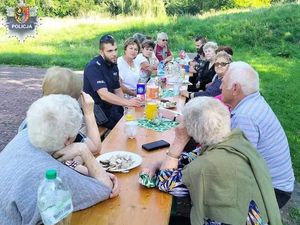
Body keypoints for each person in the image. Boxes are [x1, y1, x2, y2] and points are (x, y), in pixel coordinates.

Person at [140, 97, 282, 225]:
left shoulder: (207, 166)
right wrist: (158, 164)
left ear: (191, 129)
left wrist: (179, 141)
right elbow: (189, 157)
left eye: (183, 121)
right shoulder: (235, 140)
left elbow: (165, 183)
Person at [0, 94, 119, 225]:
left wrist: (86, 171)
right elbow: (105, 188)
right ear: (68, 139)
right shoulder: (54, 176)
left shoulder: (23, 136)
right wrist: (84, 152)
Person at [221, 61, 295, 208]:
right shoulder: (253, 101)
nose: (220, 87)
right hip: (275, 182)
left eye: (223, 83)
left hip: (273, 190)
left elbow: (237, 167)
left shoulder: (245, 116)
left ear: (235, 89)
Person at [83, 34, 142, 129]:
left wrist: (126, 107)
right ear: (101, 52)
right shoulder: (93, 67)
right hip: (98, 113)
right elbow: (103, 95)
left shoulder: (113, 64)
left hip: (113, 108)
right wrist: (127, 103)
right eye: (110, 51)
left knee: (137, 121)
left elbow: (118, 89)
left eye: (115, 49)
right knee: (129, 127)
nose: (114, 53)